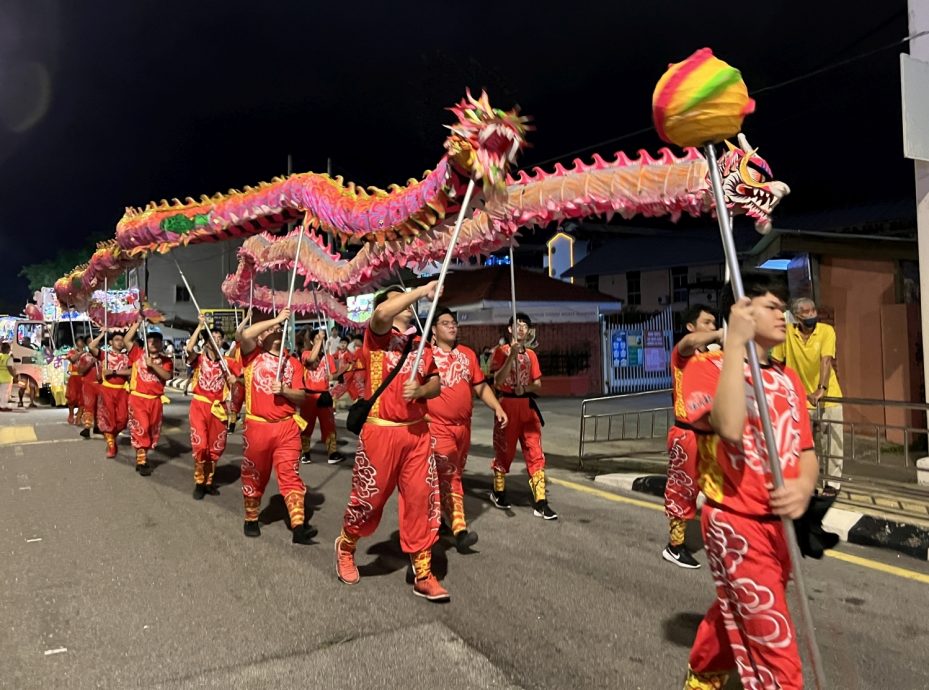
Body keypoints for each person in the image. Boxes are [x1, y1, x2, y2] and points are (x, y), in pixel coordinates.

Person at [682, 273, 817, 690]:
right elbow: (729, 426)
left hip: (780, 525)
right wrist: (735, 347)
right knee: (776, 645)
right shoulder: (705, 368)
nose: (785, 315)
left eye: (784, 307)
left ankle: (702, 677)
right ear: (741, 312)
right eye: (773, 307)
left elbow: (807, 451)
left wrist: (804, 488)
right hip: (734, 521)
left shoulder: (789, 379)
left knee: (739, 609)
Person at [334, 282, 448, 602]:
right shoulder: (378, 335)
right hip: (380, 431)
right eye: (399, 295)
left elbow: (435, 383)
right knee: (368, 500)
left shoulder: (421, 342)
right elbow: (383, 312)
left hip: (416, 433)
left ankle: (423, 572)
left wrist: (422, 392)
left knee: (421, 500)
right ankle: (346, 546)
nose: (405, 301)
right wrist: (422, 290)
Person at [428, 307, 508, 552]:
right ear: (433, 329)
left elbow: (480, 386)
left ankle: (439, 516)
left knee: (452, 474)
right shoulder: (425, 356)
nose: (452, 326)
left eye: (453, 322)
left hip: (464, 428)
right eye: (445, 323)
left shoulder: (467, 355)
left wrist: (497, 407)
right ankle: (460, 529)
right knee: (450, 474)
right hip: (436, 427)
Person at [236, 307, 317, 545]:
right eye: (272, 328)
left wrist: (284, 390)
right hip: (258, 427)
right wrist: (276, 319)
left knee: (291, 475)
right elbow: (246, 335)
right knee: (255, 474)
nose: (277, 330)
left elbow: (302, 396)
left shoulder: (293, 363)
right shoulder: (252, 355)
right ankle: (251, 518)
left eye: (280, 328)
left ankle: (299, 526)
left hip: (287, 427)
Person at [662, 305, 723, 570]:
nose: (712, 327)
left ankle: (723, 541)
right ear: (691, 326)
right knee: (683, 489)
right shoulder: (683, 353)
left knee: (720, 491)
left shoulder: (715, 357)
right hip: (687, 434)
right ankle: (675, 546)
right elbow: (690, 343)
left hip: (714, 436)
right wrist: (721, 333)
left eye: (714, 323)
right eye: (707, 323)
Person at [772, 297, 844, 494]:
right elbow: (777, 362)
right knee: (805, 445)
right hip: (800, 399)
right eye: (806, 312)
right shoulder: (787, 334)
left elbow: (826, 360)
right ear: (796, 317)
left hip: (829, 396)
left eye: (813, 310)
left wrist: (821, 388)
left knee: (833, 443)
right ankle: (809, 483)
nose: (811, 314)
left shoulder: (826, 331)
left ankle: (832, 483)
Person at [489, 312, 557, 520]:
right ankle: (499, 491)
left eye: (525, 326)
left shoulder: (532, 356)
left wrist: (524, 387)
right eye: (517, 324)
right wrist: (511, 356)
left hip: (527, 406)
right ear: (509, 329)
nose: (521, 328)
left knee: (535, 451)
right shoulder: (500, 352)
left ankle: (540, 501)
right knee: (505, 450)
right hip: (506, 405)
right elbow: (497, 381)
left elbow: (538, 384)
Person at [186, 317, 235, 498]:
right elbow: (188, 349)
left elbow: (243, 377)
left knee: (216, 446)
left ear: (222, 341)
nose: (216, 338)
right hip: (200, 406)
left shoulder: (227, 363)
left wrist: (234, 380)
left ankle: (209, 481)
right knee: (201, 445)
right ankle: (199, 481)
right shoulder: (198, 359)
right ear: (207, 341)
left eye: (219, 336)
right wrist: (199, 326)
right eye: (212, 336)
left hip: (219, 408)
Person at [88, 321, 141, 458]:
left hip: (122, 391)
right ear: (110, 342)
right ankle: (111, 444)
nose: (120, 342)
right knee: (107, 419)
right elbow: (91, 346)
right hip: (107, 391)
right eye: (117, 340)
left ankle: (112, 437)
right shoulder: (105, 355)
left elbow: (131, 372)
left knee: (122, 420)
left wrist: (114, 372)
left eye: (122, 340)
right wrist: (102, 334)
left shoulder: (128, 356)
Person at [127, 328, 174, 476]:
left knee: (152, 430)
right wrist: (136, 323)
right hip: (138, 398)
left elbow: (167, 376)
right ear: (146, 343)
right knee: (142, 427)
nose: (153, 343)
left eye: (157, 341)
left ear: (162, 344)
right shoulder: (138, 354)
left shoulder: (166, 361)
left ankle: (142, 455)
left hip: (155, 401)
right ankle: (142, 461)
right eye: (150, 341)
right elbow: (127, 340)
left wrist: (153, 365)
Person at [298, 329, 345, 465]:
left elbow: (331, 376)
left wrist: (345, 370)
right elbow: (311, 360)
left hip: (324, 395)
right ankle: (305, 453)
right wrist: (319, 341)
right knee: (306, 426)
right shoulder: (306, 354)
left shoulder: (328, 357)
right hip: (309, 395)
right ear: (312, 341)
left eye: (322, 339)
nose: (320, 341)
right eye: (317, 339)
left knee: (329, 425)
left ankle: (332, 453)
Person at [65, 337, 87, 424]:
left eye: (83, 341)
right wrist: (82, 353)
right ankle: (71, 414)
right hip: (74, 378)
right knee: (72, 397)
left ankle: (79, 417)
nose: (81, 342)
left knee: (82, 398)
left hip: (83, 378)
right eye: (79, 341)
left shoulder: (88, 353)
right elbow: (72, 359)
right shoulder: (72, 352)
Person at [0, 342, 15, 412]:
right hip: (5, 378)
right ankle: (3, 406)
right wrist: (14, 376)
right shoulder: (9, 358)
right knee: (4, 393)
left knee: (1, 392)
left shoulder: (0, 356)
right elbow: (10, 368)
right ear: (8, 349)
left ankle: (1, 405)